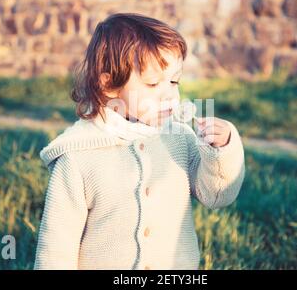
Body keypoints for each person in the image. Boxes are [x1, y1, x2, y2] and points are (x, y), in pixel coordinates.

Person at [34, 13, 245, 270]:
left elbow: (217, 196)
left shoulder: (179, 141)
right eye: (153, 83)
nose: (170, 94)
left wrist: (221, 150)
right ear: (109, 86)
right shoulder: (78, 155)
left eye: (174, 81)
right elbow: (57, 244)